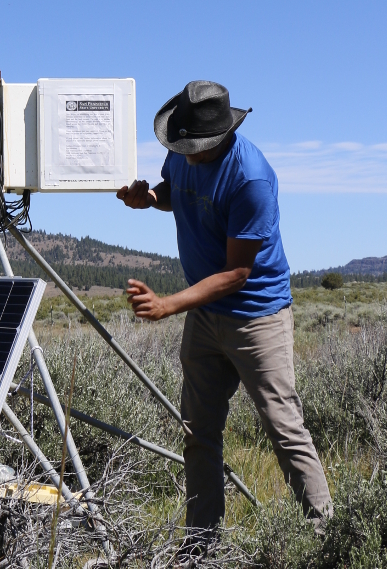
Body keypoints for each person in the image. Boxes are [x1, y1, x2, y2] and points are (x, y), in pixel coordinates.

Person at [117, 80, 331, 530]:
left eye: (196, 145)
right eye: (183, 143)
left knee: (284, 428)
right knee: (198, 433)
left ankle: (322, 534)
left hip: (257, 317)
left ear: (220, 136)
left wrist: (169, 304)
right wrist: (149, 198)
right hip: (206, 315)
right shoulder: (181, 146)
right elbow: (172, 190)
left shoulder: (250, 178)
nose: (186, 152)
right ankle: (200, 544)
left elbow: (238, 274)